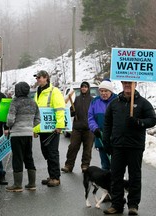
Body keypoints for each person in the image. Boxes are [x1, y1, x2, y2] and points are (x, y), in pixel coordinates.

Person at [102, 81, 156, 215]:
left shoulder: (143, 103)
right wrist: (106, 142)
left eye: (130, 83)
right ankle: (117, 204)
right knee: (116, 176)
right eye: (125, 83)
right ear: (121, 83)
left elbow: (152, 119)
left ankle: (133, 205)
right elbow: (107, 123)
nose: (127, 85)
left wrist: (139, 122)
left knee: (135, 176)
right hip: (118, 146)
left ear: (135, 84)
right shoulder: (114, 103)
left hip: (135, 146)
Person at [6, 81, 40, 192]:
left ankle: (17, 185)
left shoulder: (15, 102)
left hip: (17, 134)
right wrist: (30, 126)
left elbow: (10, 120)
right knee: (28, 157)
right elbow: (38, 119)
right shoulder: (33, 102)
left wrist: (8, 126)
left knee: (18, 158)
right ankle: (32, 184)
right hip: (28, 134)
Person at [33, 70, 65, 187]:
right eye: (36, 78)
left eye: (39, 77)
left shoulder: (54, 91)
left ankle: (55, 178)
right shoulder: (38, 92)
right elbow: (36, 113)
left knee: (52, 153)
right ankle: (51, 175)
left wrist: (60, 126)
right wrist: (35, 130)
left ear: (46, 78)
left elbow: (60, 109)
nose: (37, 80)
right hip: (42, 129)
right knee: (46, 153)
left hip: (52, 130)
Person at [61, 81, 94, 173]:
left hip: (89, 129)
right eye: (82, 87)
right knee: (72, 147)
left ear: (88, 88)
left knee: (87, 149)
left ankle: (85, 166)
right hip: (77, 128)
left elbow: (95, 113)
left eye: (85, 87)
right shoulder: (76, 99)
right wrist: (72, 112)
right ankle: (68, 165)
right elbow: (69, 112)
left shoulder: (92, 100)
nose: (83, 88)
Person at [88, 79, 117, 170]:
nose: (103, 93)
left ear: (111, 91)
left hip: (115, 138)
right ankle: (107, 183)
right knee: (105, 165)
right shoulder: (95, 101)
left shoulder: (118, 100)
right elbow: (90, 117)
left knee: (116, 165)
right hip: (101, 136)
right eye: (101, 91)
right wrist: (94, 128)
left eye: (106, 91)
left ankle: (117, 183)